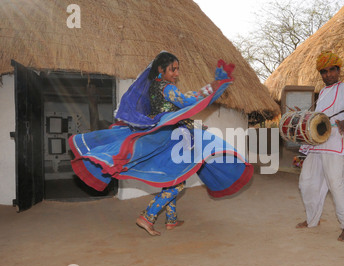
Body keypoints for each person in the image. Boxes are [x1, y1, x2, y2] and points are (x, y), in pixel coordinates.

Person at [69, 51, 253, 236]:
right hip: (170, 137)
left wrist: (212, 88)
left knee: (172, 173)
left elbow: (176, 107)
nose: (176, 73)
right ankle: (148, 216)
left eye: (177, 69)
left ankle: (171, 219)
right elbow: (187, 101)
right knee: (179, 180)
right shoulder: (168, 88)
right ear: (160, 69)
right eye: (173, 69)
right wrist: (215, 86)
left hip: (166, 134)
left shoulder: (155, 87)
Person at [296, 51, 344, 242]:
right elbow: (319, 118)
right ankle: (312, 219)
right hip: (318, 143)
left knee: (336, 184)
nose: (328, 75)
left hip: (335, 142)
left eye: (331, 70)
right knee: (307, 182)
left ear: (338, 70)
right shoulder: (323, 93)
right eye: (324, 72)